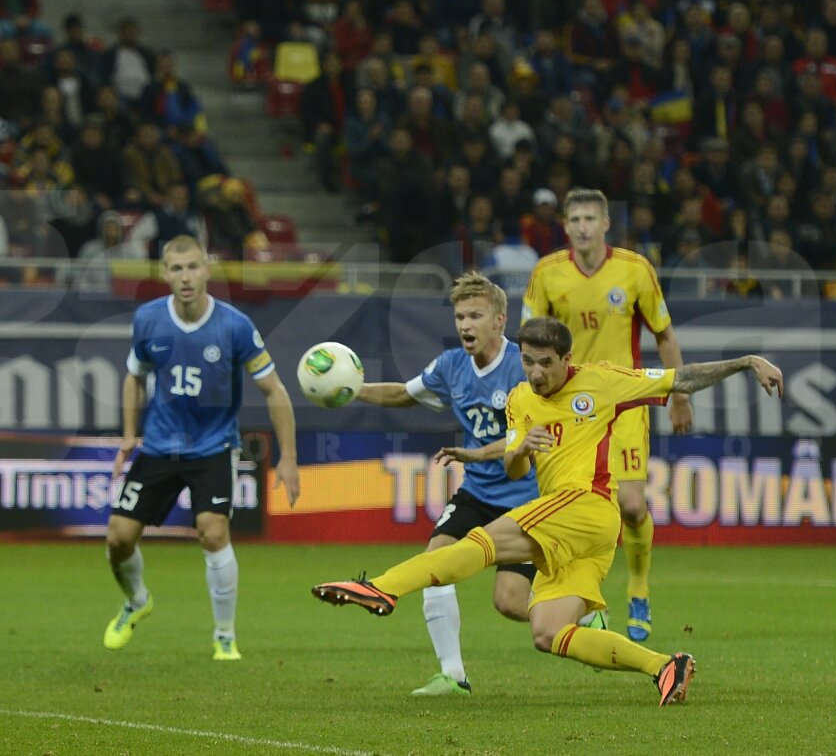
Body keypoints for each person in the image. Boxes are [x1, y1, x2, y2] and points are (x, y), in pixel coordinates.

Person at [313, 316, 784, 706]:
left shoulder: (602, 381)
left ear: (565, 360)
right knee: (548, 631)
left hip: (587, 505)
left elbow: (682, 378)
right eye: (527, 361)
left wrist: (746, 361)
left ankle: (381, 588)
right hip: (577, 531)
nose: (535, 372)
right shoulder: (520, 400)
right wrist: (524, 445)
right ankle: (664, 665)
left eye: (545, 363)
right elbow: (517, 468)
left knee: (482, 543)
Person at [350, 272, 606, 697]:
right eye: (460, 316)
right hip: (477, 492)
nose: (465, 325)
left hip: (524, 497)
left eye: (475, 315)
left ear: (499, 320)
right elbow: (402, 395)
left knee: (509, 602)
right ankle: (453, 675)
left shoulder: (524, 368)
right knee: (436, 562)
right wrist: (350, 389)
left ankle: (581, 617)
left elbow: (517, 444)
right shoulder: (451, 366)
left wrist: (472, 453)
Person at [104, 235, 300, 661]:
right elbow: (134, 376)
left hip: (213, 447)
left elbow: (274, 391)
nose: (185, 277)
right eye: (176, 269)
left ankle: (224, 634)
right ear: (164, 274)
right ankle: (137, 601)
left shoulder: (234, 325)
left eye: (193, 267)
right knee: (118, 539)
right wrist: (127, 434)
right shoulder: (148, 319)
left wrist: (288, 456)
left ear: (208, 269)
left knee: (213, 533)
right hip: (158, 446)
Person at [521, 188, 693, 642]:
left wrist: (678, 394)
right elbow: (527, 344)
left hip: (622, 403)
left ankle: (638, 587)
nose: (581, 227)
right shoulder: (547, 274)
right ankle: (590, 598)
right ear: (565, 225)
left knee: (631, 505)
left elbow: (664, 333)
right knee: (576, 508)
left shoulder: (635, 271)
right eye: (574, 219)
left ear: (605, 224)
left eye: (589, 219)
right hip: (567, 411)